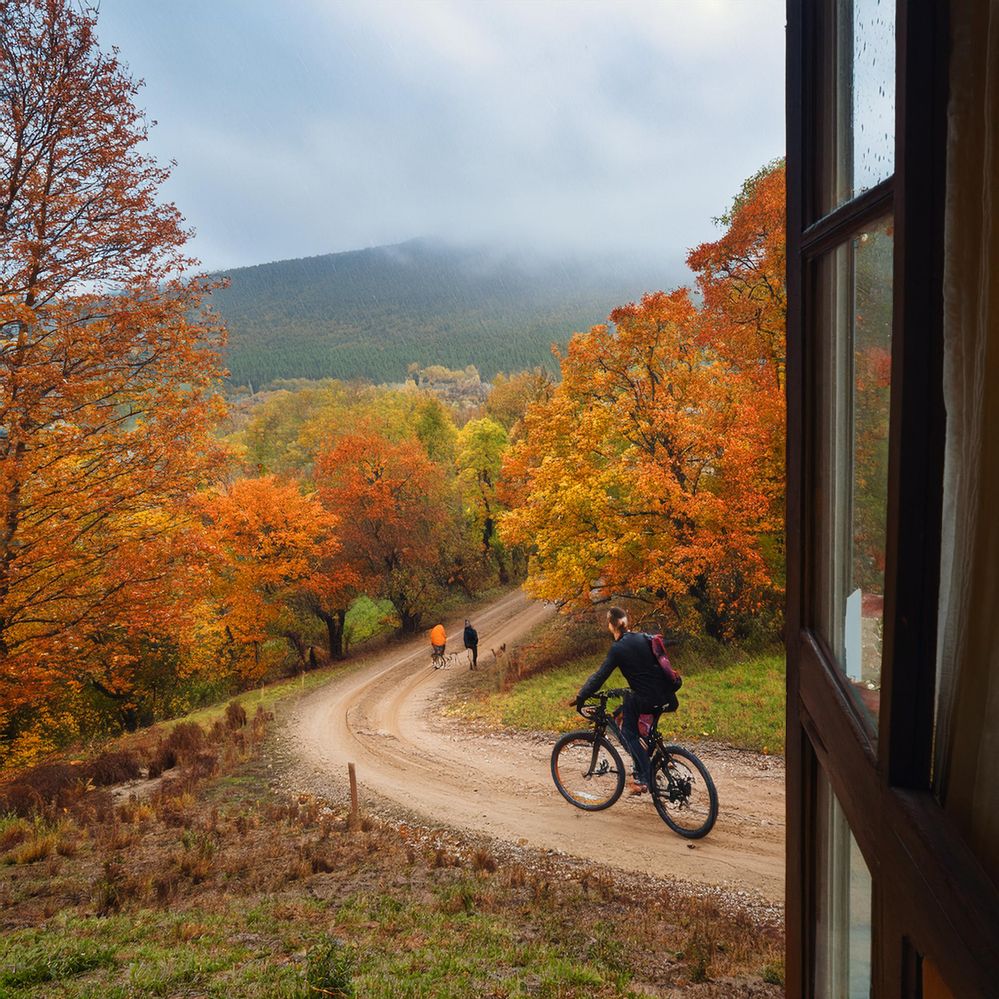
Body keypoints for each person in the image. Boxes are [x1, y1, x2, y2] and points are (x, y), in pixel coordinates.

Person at [568, 606, 674, 795]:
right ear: (627, 621)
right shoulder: (643, 638)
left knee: (628, 732)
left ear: (611, 625)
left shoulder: (618, 648)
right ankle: (663, 760)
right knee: (622, 713)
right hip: (666, 694)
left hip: (646, 697)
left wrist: (581, 696)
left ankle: (642, 779)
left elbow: (600, 676)